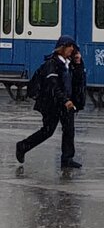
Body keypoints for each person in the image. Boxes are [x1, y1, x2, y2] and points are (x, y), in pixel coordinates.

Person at [16, 35, 81, 169]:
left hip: (66, 102)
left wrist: (79, 64)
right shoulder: (52, 64)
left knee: (69, 130)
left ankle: (67, 159)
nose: (72, 50)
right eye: (70, 47)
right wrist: (64, 100)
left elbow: (79, 81)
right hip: (53, 103)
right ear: (62, 48)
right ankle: (23, 146)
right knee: (47, 131)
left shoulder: (70, 64)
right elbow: (53, 86)